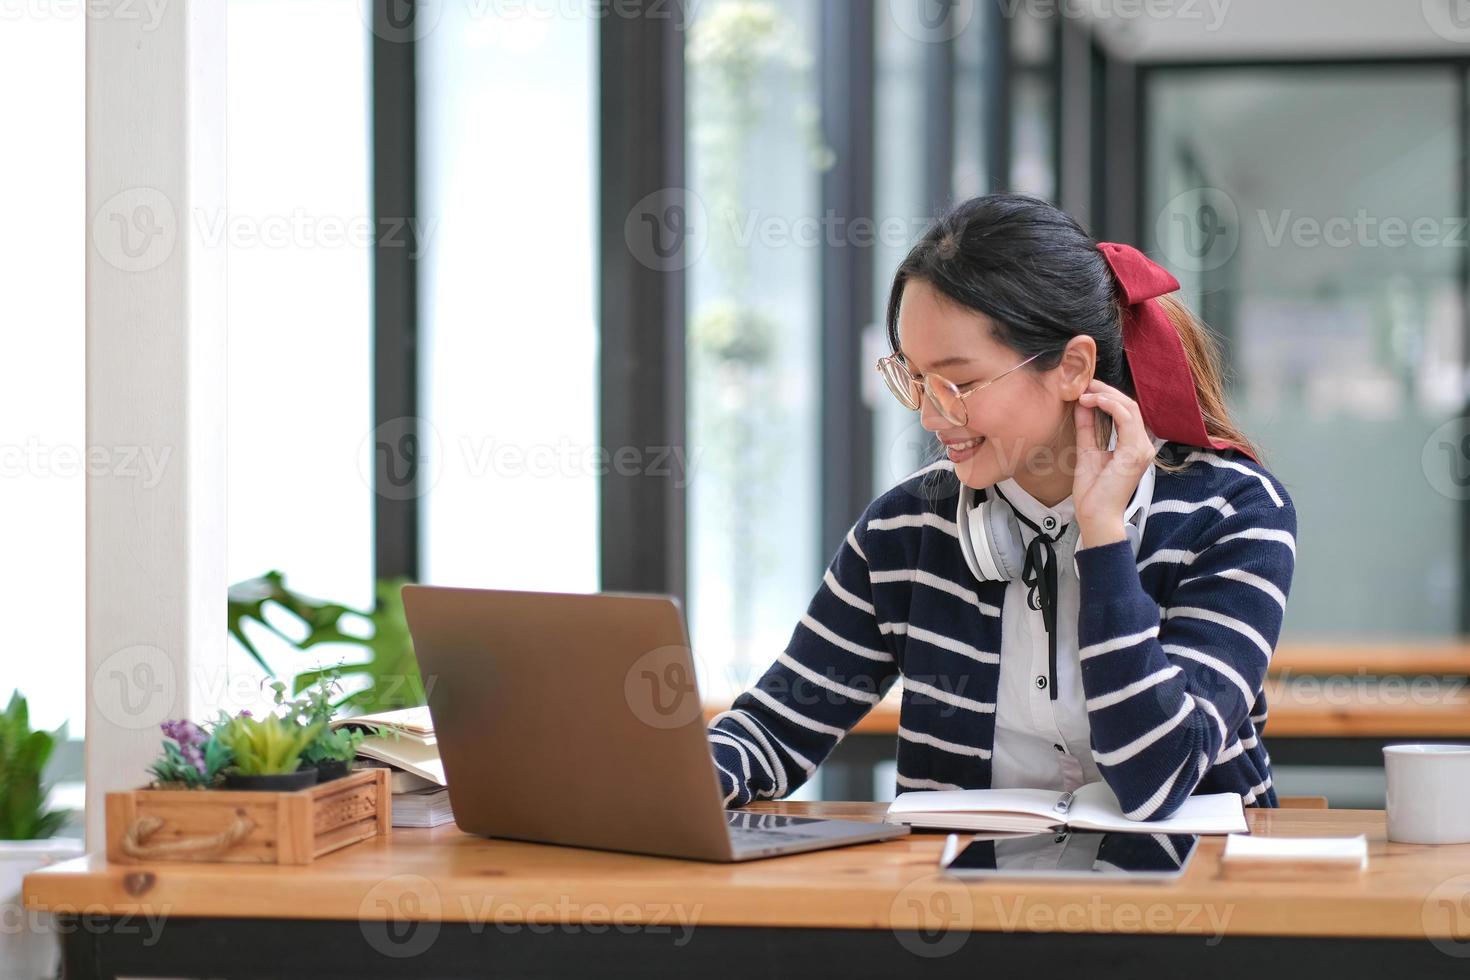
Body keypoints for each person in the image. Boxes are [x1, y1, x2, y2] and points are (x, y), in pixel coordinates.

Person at [706, 193, 1296, 821]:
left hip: (1197, 898)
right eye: (916, 379)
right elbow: (776, 727)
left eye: (958, 383)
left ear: (1073, 366)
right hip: (960, 905)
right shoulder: (904, 530)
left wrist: (1101, 539)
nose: (932, 417)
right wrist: (662, 781)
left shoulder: (1232, 513)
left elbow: (1159, 775)